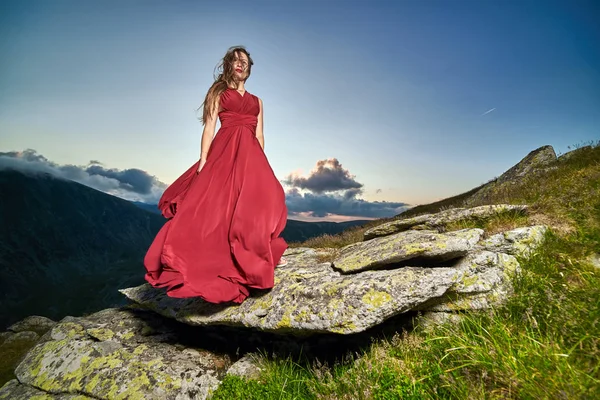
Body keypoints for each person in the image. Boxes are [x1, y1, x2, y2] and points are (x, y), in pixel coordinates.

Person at [143, 46, 288, 304]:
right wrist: (203, 162)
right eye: (236, 61)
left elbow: (260, 134)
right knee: (217, 206)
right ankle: (208, 259)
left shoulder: (258, 101)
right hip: (224, 151)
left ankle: (252, 255)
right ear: (228, 65)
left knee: (262, 200)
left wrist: (261, 162)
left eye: (245, 61)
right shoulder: (218, 92)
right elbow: (209, 127)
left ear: (250, 68)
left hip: (251, 155)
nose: (240, 64)